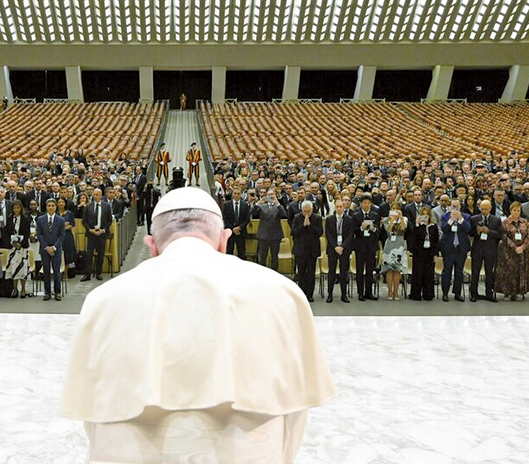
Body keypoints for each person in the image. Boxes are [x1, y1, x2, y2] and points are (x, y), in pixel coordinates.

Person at [61, 187, 334, 463]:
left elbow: (92, 416)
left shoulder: (103, 299)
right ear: (223, 241)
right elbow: (296, 412)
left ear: (151, 245)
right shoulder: (282, 292)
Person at [496, 201, 529, 300]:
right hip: (508, 251)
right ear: (510, 210)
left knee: (520, 271)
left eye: (518, 210)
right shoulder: (505, 222)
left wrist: (522, 247)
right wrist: (514, 247)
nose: (516, 212)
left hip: (522, 251)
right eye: (514, 210)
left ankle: (518, 292)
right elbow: (504, 237)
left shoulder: (524, 222)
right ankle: (507, 293)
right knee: (508, 272)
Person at [468, 199, 503, 303]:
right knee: (475, 272)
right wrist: (476, 231)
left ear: (490, 209)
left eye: (486, 209)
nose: (483, 211)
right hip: (477, 249)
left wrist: (489, 231)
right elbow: (470, 233)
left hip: (490, 249)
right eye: (482, 209)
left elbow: (500, 235)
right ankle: (474, 293)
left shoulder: (496, 220)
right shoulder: (474, 219)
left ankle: (489, 293)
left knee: (489, 272)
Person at [291, 200, 323, 303]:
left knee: (311, 273)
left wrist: (310, 226)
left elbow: (319, 233)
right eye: (304, 211)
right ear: (301, 210)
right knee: (301, 273)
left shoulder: (317, 218)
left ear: (312, 210)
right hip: (300, 250)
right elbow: (293, 232)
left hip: (312, 251)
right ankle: (301, 294)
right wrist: (303, 226)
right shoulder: (297, 217)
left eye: (308, 211)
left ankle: (310, 294)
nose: (306, 213)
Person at [440, 198, 471, 302]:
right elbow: (444, 229)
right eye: (453, 206)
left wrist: (460, 219)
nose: (455, 208)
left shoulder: (466, 217)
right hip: (448, 249)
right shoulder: (445, 216)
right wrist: (451, 220)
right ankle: (445, 293)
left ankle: (457, 293)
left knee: (459, 272)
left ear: (460, 206)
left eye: (456, 206)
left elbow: (468, 229)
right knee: (447, 271)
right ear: (450, 206)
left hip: (460, 249)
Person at [352, 194, 381, 301]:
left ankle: (368, 292)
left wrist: (373, 229)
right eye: (365, 203)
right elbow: (354, 231)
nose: (367, 205)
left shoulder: (375, 215)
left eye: (369, 203)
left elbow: (379, 231)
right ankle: (360, 293)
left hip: (371, 247)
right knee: (360, 271)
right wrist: (361, 228)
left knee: (370, 271)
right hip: (360, 247)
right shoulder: (356, 215)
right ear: (361, 204)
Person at [324, 199, 353, 303]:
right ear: (335, 208)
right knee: (331, 272)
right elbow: (328, 234)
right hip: (332, 249)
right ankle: (330, 294)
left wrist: (343, 246)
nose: (339, 208)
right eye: (337, 207)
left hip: (344, 249)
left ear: (344, 208)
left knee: (343, 272)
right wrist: (335, 246)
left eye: (341, 207)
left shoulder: (349, 219)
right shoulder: (329, 219)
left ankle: (344, 295)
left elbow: (350, 235)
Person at [409, 205, 439, 301]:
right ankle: (415, 294)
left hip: (429, 253)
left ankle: (428, 294)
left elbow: (436, 241)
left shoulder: (433, 227)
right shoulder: (417, 226)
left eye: (427, 215)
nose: (425, 216)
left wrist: (435, 254)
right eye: (423, 214)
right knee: (418, 273)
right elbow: (413, 238)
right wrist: (418, 225)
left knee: (429, 274)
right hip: (419, 253)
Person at [37, 199, 65, 301]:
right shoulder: (40, 219)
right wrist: (46, 247)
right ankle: (47, 292)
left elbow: (61, 236)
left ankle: (57, 292)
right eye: (49, 205)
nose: (51, 207)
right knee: (46, 271)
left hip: (56, 249)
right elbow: (39, 234)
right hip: (44, 249)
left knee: (56, 271)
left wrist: (53, 247)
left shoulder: (60, 220)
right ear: (46, 207)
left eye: (53, 205)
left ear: (55, 207)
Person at [251, 188, 286, 271]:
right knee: (262, 257)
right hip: (263, 235)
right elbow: (253, 213)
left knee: (274, 257)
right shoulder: (262, 206)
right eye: (269, 194)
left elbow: (284, 214)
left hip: (275, 235)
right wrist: (258, 203)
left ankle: (275, 274)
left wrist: (277, 202)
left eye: (272, 194)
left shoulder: (278, 206)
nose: (270, 196)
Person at [81, 188, 112, 282]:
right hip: (91, 234)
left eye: (97, 195)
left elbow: (109, 220)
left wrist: (103, 230)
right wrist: (90, 230)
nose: (95, 196)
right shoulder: (88, 206)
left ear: (101, 195)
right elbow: (84, 221)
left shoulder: (106, 206)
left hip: (102, 234)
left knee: (100, 254)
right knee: (89, 254)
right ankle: (87, 274)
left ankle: (98, 273)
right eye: (94, 194)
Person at [4, 200, 31, 298]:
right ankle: (15, 289)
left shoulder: (26, 219)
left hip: (22, 248)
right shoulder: (9, 219)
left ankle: (23, 289)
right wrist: (11, 243)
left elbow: (27, 234)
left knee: (22, 269)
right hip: (12, 248)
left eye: (18, 208)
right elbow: (6, 232)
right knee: (13, 268)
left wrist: (21, 244)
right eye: (14, 208)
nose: (16, 210)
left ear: (21, 208)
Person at [380, 204, 408, 301]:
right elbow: (388, 230)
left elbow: (404, 229)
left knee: (397, 270)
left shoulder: (404, 219)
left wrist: (400, 218)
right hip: (389, 246)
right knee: (389, 269)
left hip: (400, 245)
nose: (395, 210)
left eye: (397, 209)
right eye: (393, 209)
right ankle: (389, 291)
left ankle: (396, 291)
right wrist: (392, 220)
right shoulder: (387, 219)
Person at [222, 187, 249, 258]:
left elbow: (247, 219)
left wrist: (239, 227)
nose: (236, 195)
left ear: (241, 194)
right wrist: (233, 228)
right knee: (229, 252)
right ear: (232, 194)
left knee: (242, 252)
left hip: (241, 232)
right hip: (230, 232)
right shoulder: (226, 205)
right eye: (235, 193)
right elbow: (224, 218)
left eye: (238, 193)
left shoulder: (245, 205)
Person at [56, 198, 76, 273]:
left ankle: (66, 273)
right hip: (57, 236)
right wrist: (63, 225)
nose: (61, 203)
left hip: (67, 236)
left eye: (62, 202)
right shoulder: (55, 213)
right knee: (58, 254)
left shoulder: (69, 213)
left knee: (67, 254)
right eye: (59, 202)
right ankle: (58, 273)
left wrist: (62, 228)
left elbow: (72, 224)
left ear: (65, 203)